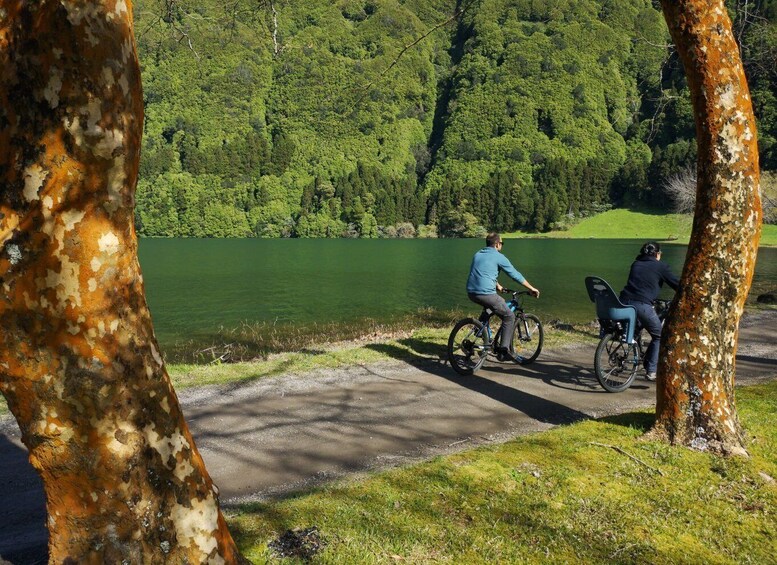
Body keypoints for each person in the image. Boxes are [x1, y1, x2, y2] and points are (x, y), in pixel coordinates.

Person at [466, 233, 540, 361]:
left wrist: (498, 286)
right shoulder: (499, 257)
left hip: (472, 292)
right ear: (496, 244)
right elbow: (515, 275)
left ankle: (481, 332)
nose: (502, 246)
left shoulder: (478, 254)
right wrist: (531, 288)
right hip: (486, 294)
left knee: (489, 309)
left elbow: (483, 273)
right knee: (509, 316)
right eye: (502, 243)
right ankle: (503, 351)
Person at [619, 241, 680, 381]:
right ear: (657, 254)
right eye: (660, 253)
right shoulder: (661, 266)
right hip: (642, 305)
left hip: (624, 302)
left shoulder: (636, 264)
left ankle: (632, 349)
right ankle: (651, 370)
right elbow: (676, 284)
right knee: (659, 335)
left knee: (638, 327)